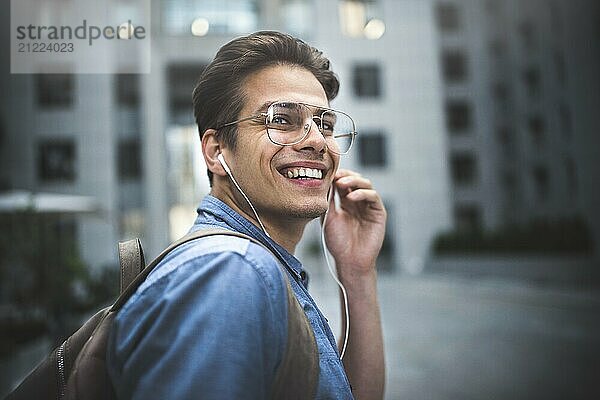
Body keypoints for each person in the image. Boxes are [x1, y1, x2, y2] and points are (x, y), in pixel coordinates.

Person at [107, 31, 386, 399]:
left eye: (326, 124)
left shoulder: (260, 265)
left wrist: (357, 271)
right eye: (283, 119)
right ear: (216, 150)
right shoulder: (232, 269)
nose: (318, 140)